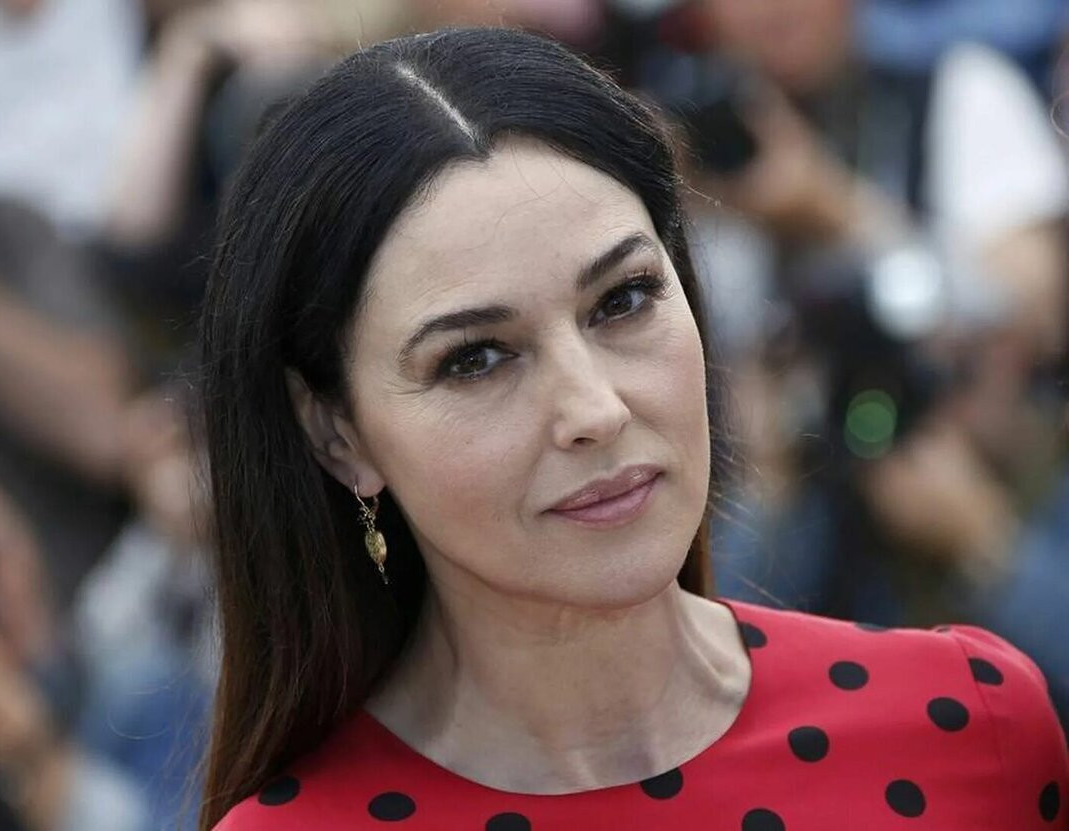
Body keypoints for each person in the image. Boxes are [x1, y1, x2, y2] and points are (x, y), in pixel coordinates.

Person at [198, 28, 1068, 830]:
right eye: (475, 358)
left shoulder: (970, 723)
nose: (596, 409)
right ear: (337, 433)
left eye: (623, 300)